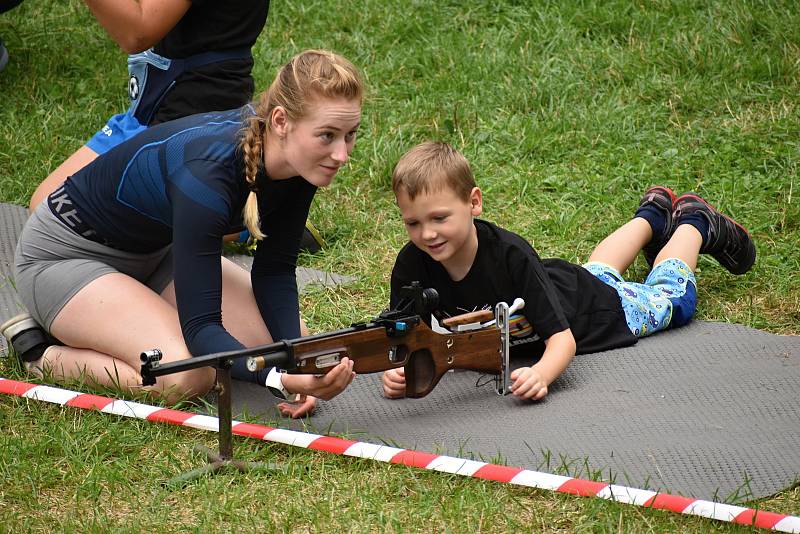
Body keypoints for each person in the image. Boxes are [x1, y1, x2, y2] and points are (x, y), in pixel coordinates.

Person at [1, 49, 362, 419]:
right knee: (188, 376)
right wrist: (279, 379)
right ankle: (41, 354)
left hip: (153, 252)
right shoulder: (208, 173)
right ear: (282, 121)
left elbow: (275, 272)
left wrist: (298, 362)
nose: (341, 154)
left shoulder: (300, 161)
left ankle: (121, 319)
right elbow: (202, 328)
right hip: (64, 260)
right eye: (328, 136)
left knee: (288, 340)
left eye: (350, 135)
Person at [381, 141, 756, 401]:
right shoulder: (412, 264)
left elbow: (563, 342)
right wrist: (399, 368)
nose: (426, 234)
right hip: (568, 284)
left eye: (439, 218)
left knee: (673, 299)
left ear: (474, 202)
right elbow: (401, 334)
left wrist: (541, 374)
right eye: (412, 223)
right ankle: (652, 216)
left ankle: (694, 222)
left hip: (602, 311)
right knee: (598, 271)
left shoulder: (511, 255)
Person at [28, 0, 270, 210]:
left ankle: (242, 215)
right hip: (154, 100)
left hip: (195, 110)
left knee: (64, 210)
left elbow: (137, 30)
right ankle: (232, 207)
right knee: (48, 204)